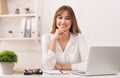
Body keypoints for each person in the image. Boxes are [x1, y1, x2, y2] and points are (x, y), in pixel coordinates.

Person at [41, 5, 89, 71]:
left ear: (72, 21)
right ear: (55, 20)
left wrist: (64, 67)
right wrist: (54, 40)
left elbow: (88, 65)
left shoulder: (79, 38)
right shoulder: (46, 38)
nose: (63, 22)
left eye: (67, 18)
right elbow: (46, 67)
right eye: (60, 18)